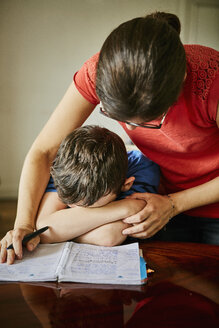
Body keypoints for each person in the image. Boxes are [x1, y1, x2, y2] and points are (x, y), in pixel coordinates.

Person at [0, 11, 218, 264]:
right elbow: (44, 151)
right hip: (157, 198)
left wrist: (174, 204)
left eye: (148, 120)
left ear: (180, 81)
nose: (132, 131)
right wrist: (24, 224)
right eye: (121, 118)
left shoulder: (213, 81)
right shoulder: (101, 70)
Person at [35, 125, 160, 245]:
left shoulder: (142, 167)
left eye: (87, 207)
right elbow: (45, 230)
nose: (73, 207)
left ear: (126, 184)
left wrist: (63, 233)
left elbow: (110, 235)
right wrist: (125, 208)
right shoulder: (66, 169)